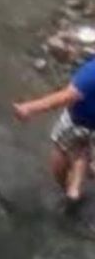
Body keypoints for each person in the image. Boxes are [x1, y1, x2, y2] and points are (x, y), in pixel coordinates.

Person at [12, 57, 95, 204]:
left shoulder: (91, 72)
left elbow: (67, 96)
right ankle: (74, 190)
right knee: (81, 148)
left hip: (76, 121)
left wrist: (30, 108)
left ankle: (66, 189)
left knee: (60, 152)